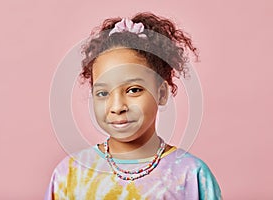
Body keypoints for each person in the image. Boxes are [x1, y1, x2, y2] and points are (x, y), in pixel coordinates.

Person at [45, 12, 222, 199]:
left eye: (133, 90)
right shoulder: (70, 174)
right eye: (103, 93)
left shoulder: (191, 176)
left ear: (161, 93)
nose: (117, 106)